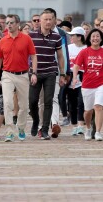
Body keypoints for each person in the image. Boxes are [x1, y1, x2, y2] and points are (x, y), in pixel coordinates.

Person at [0, 14, 37, 142]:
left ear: (18, 24)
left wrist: (34, 72)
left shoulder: (26, 39)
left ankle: (21, 127)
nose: (9, 25)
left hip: (23, 74)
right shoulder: (3, 40)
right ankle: (9, 131)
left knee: (24, 105)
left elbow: (33, 56)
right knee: (7, 103)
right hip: (7, 74)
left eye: (11, 22)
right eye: (7, 23)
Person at [29, 10, 66, 140]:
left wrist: (62, 74)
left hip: (51, 72)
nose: (48, 22)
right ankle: (35, 121)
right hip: (35, 73)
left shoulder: (56, 36)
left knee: (48, 101)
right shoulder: (31, 36)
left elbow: (60, 57)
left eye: (51, 19)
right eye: (46, 19)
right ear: (40, 20)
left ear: (54, 20)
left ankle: (44, 129)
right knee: (32, 101)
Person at [73, 28, 103, 141]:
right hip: (87, 84)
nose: (95, 38)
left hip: (101, 83)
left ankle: (99, 132)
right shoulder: (84, 52)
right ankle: (89, 128)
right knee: (88, 111)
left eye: (97, 36)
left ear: (101, 39)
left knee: (98, 107)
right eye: (93, 36)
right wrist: (75, 78)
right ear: (89, 39)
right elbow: (76, 66)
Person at [66, 27, 87, 136]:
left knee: (81, 102)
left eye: (73, 35)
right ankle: (74, 125)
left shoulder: (87, 48)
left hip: (84, 77)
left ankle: (80, 125)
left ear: (79, 37)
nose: (71, 37)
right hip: (70, 77)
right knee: (71, 102)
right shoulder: (69, 48)